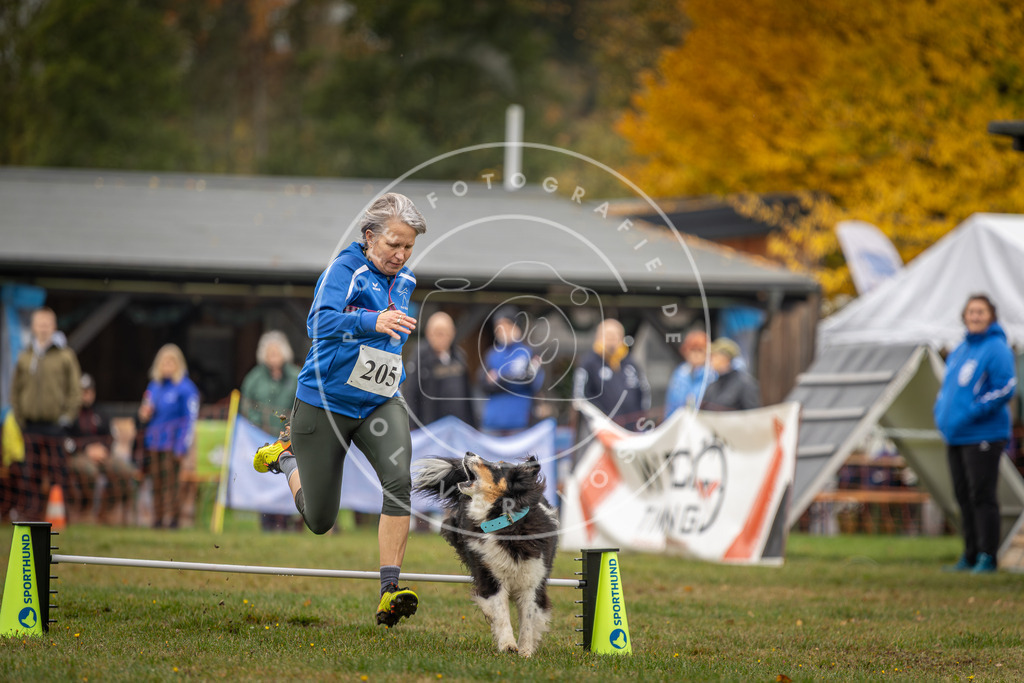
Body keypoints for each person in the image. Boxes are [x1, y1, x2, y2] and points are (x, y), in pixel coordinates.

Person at [252, 192, 426, 627]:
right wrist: (371, 321)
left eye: (408, 246)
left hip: (380, 401)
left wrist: (388, 351)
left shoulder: (405, 281)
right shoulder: (343, 271)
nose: (401, 255)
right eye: (393, 244)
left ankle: (389, 591)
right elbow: (318, 324)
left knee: (398, 482)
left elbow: (388, 340)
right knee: (319, 518)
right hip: (324, 404)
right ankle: (286, 456)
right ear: (369, 237)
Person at [934, 294, 1017, 574]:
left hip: (983, 434)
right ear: (964, 316)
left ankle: (987, 556)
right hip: (956, 435)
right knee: (963, 496)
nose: (975, 316)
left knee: (982, 495)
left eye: (981, 311)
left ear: (991, 316)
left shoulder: (996, 348)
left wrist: (970, 412)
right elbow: (948, 390)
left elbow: (1005, 388)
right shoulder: (960, 350)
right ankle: (969, 554)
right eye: (971, 311)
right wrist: (941, 413)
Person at [9, 307, 81, 519]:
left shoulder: (65, 356)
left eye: (46, 324)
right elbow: (16, 390)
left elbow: (74, 390)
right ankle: (32, 514)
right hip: (30, 425)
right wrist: (20, 417)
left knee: (58, 472)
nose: (43, 328)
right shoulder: (24, 356)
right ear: (33, 327)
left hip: (55, 426)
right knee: (30, 472)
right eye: (39, 324)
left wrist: (66, 417)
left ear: (54, 326)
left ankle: (61, 515)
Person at [241, 330, 301, 531]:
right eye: (270, 352)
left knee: (289, 474)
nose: (273, 356)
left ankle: (288, 520)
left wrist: (291, 425)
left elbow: (302, 403)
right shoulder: (254, 377)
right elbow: (247, 405)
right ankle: (267, 520)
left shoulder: (296, 375)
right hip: (260, 436)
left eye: (277, 352)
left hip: (288, 438)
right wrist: (260, 422)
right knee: (264, 477)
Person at [138, 343, 200, 529]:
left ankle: (173, 520)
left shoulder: (186, 388)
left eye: (171, 362)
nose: (167, 366)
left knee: (172, 484)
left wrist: (182, 445)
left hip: (173, 443)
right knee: (156, 482)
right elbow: (145, 410)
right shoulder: (154, 386)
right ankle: (157, 519)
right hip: (154, 442)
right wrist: (144, 413)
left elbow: (190, 418)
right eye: (164, 362)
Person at [66, 373, 138, 523]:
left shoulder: (101, 413)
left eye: (89, 391)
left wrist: (103, 449)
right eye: (83, 391)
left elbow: (111, 436)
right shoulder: (70, 414)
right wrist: (87, 449)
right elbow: (66, 440)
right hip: (78, 455)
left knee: (125, 470)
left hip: (102, 454)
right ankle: (87, 508)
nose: (86, 395)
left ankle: (107, 510)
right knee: (89, 471)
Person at [573, 318, 651, 428]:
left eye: (616, 335)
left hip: (632, 430)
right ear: (599, 337)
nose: (612, 338)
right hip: (601, 430)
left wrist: (641, 417)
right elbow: (580, 397)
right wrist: (599, 421)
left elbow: (644, 391)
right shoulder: (589, 363)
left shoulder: (630, 363)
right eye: (608, 335)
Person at [403, 311, 476, 428]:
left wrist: (472, 426)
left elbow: (467, 394)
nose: (441, 337)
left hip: (458, 428)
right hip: (430, 428)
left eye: (445, 333)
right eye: (438, 333)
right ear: (428, 333)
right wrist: (413, 427)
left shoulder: (459, 357)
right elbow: (410, 394)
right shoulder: (420, 358)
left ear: (452, 334)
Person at [478, 306, 544, 434]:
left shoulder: (530, 352)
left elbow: (530, 380)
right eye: (498, 327)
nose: (502, 331)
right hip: (492, 422)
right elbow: (482, 382)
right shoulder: (491, 354)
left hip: (520, 423)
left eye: (507, 325)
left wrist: (499, 378)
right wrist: (513, 379)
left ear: (516, 325)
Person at [700, 338, 761, 411]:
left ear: (725, 358)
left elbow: (753, 414)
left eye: (714, 356)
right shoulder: (712, 387)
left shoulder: (745, 384)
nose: (710, 360)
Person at [664, 330, 715, 418]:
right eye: (692, 350)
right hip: (679, 423)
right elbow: (670, 404)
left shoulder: (712, 375)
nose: (696, 355)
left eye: (700, 350)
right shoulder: (679, 373)